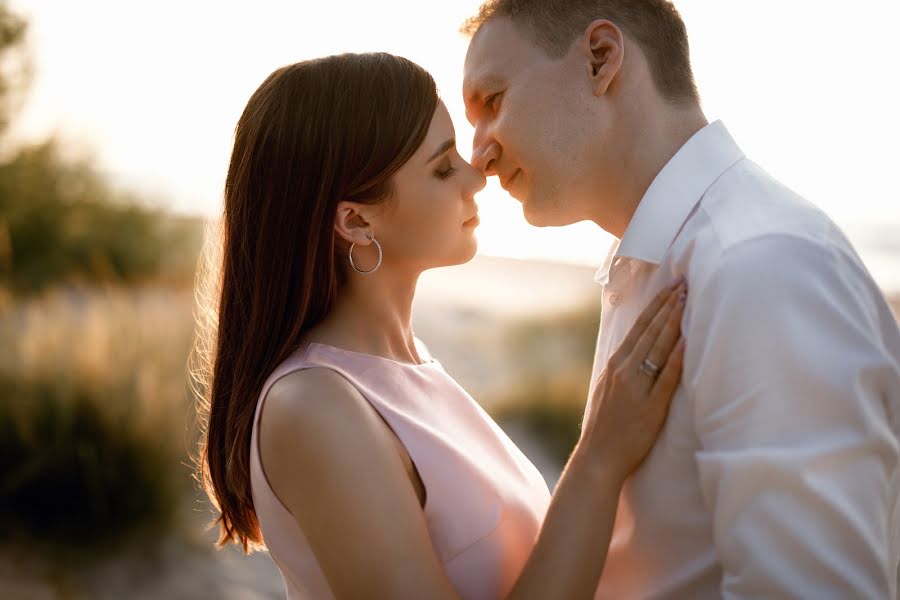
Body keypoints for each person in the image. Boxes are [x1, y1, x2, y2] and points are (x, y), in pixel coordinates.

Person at [192, 52, 687, 599]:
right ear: (356, 220)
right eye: (443, 166)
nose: (478, 177)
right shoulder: (311, 406)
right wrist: (600, 456)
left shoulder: (410, 368)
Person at [461, 1, 900, 598]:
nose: (478, 156)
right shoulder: (653, 259)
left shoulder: (761, 265)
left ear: (601, 59)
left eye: (492, 102)